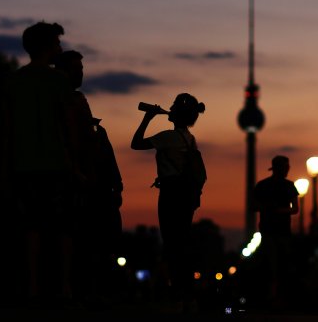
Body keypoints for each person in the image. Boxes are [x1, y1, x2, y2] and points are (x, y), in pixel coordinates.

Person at [3, 21, 76, 305]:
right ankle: (64, 288)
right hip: (56, 163)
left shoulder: (12, 81)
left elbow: (7, 129)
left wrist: (4, 167)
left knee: (31, 228)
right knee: (63, 229)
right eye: (57, 43)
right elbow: (68, 125)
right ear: (48, 47)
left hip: (23, 165)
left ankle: (33, 288)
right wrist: (76, 162)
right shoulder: (59, 81)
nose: (60, 47)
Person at [54, 50, 124, 307]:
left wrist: (115, 182)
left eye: (81, 69)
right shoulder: (65, 103)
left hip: (93, 182)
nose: (80, 73)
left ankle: (88, 288)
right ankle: (77, 289)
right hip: (78, 181)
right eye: (76, 69)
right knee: (79, 238)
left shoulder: (78, 102)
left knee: (94, 241)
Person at [131, 92, 205, 313]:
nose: (169, 110)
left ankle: (178, 295)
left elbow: (136, 144)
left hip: (172, 194)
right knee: (181, 243)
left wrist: (148, 117)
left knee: (172, 244)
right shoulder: (190, 139)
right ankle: (187, 294)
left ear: (178, 114)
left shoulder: (168, 137)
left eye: (173, 107)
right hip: (187, 195)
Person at [252, 155, 299, 307]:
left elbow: (295, 209)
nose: (287, 170)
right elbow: (294, 209)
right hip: (273, 230)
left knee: (278, 263)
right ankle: (274, 295)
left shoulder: (264, 185)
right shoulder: (283, 186)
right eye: (285, 167)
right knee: (275, 263)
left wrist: (275, 209)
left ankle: (275, 295)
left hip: (277, 230)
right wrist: (273, 209)